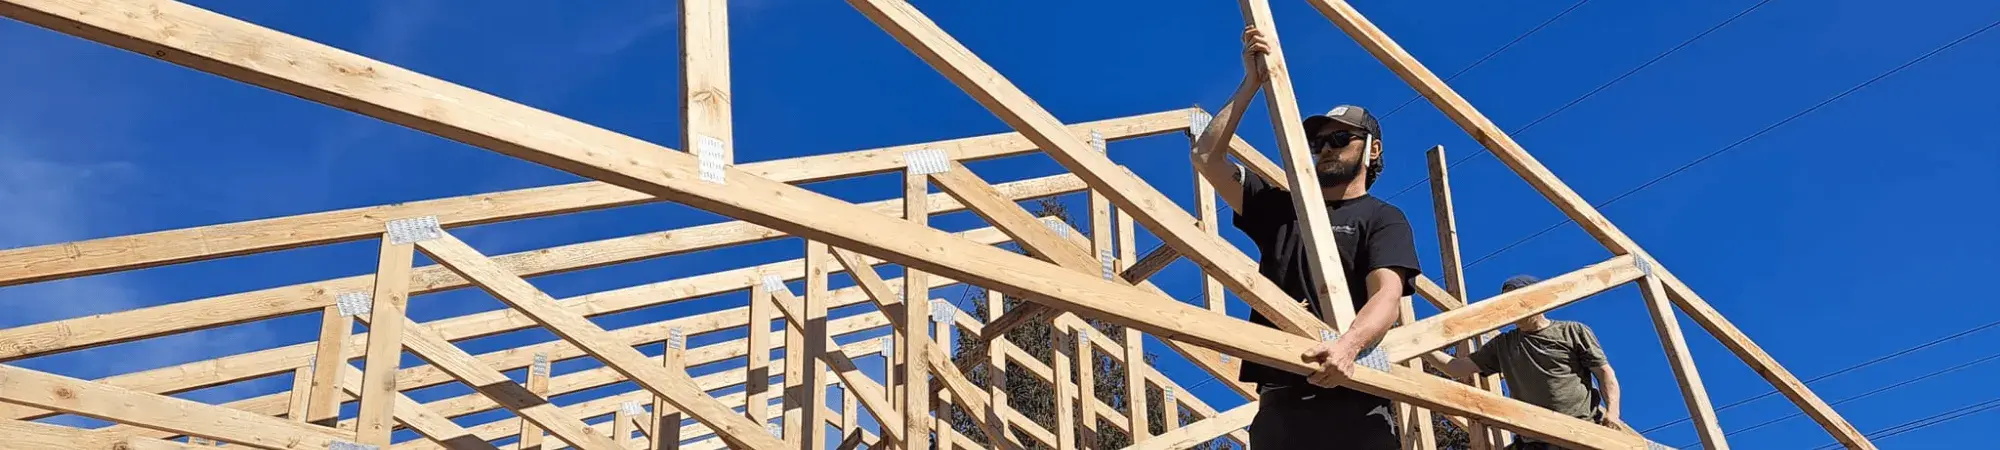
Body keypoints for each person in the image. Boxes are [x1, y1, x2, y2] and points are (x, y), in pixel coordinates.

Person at [1189, 25, 1422, 450]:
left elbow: (1387, 295)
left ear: (1372, 151)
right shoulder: (1281, 210)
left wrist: (1349, 346)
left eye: (1340, 139)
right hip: (1282, 401)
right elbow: (1207, 157)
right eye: (1318, 142)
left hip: (1357, 399)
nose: (1327, 149)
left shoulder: (1383, 218)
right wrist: (1251, 84)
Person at [1429, 275, 1630, 449]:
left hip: (1579, 432)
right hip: (1533, 439)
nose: (1510, 309)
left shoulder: (1571, 331)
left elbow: (1605, 374)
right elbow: (1454, 368)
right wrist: (1416, 345)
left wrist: (1613, 413)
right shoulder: (1503, 345)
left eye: (1515, 301)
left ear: (1535, 299)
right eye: (1505, 304)